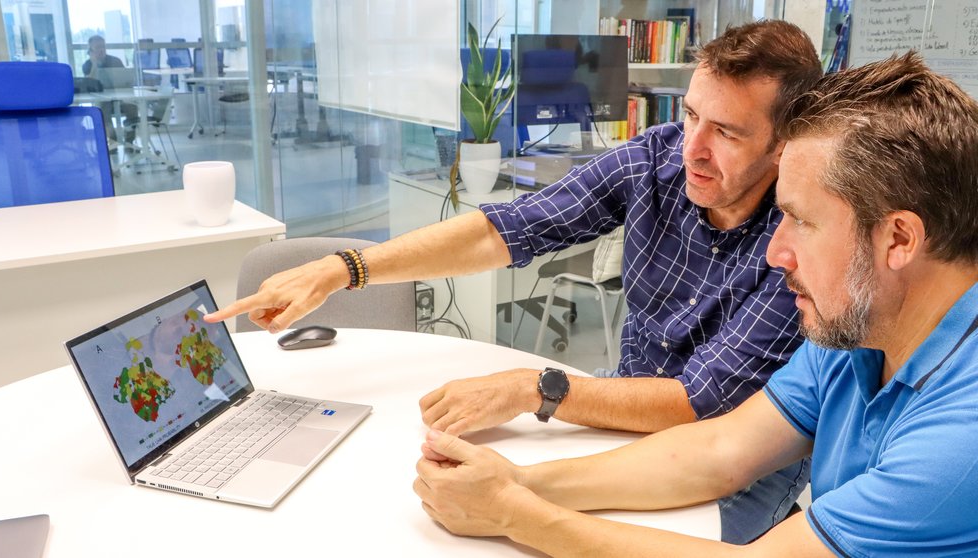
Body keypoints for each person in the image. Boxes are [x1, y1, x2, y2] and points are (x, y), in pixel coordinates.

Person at [206, 20, 822, 543]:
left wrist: (538, 387)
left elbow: (701, 403)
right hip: (621, 403)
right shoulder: (656, 159)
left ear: (783, 147)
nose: (694, 148)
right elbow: (503, 229)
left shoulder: (800, 236)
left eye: (728, 133)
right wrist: (344, 267)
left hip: (738, 459)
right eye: (691, 116)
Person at [413, 51, 978, 555]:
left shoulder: (961, 438)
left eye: (802, 222)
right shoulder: (864, 325)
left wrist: (516, 516)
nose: (777, 251)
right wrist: (520, 482)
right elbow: (720, 449)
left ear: (899, 240)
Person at [82, 35, 138, 144]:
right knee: (102, 111)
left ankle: (129, 141)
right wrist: (94, 64)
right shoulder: (87, 64)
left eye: (103, 46)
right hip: (102, 98)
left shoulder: (115, 61)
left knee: (132, 107)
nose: (101, 49)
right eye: (97, 47)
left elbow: (125, 79)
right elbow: (88, 82)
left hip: (119, 95)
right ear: (90, 50)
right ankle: (113, 141)